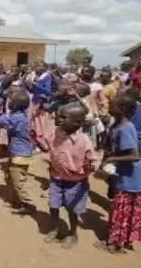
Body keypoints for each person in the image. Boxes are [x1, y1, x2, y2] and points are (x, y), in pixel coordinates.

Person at [96, 94, 141, 254]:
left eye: (112, 105)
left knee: (121, 211)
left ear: (122, 109)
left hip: (131, 179)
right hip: (126, 176)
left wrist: (112, 158)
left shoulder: (126, 128)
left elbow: (134, 155)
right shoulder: (117, 125)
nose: (108, 106)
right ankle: (120, 240)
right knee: (123, 211)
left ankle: (115, 244)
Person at [44, 104, 97, 249]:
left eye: (63, 117)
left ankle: (72, 234)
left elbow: (92, 161)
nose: (59, 119)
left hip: (75, 182)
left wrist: (90, 167)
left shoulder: (84, 140)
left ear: (77, 122)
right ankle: (54, 228)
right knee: (53, 205)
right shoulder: (56, 133)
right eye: (59, 116)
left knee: (72, 209)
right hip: (56, 177)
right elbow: (47, 145)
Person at [0, 91, 35, 215]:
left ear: (16, 105)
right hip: (20, 151)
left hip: (19, 154)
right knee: (11, 176)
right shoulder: (20, 115)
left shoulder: (16, 118)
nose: (9, 102)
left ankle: (29, 205)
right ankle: (17, 201)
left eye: (11, 101)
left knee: (18, 182)